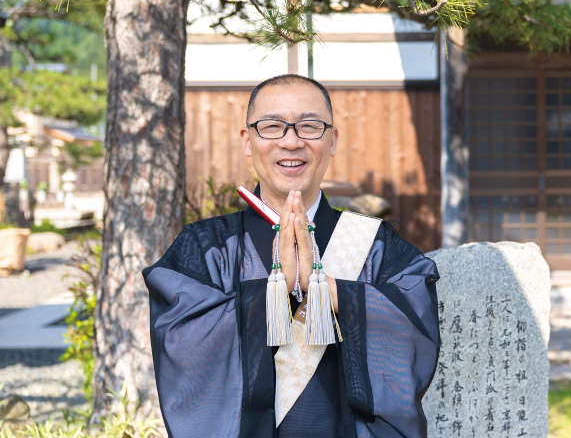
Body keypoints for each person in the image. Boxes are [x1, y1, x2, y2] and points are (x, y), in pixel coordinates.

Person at [143, 74, 441, 438]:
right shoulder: (206, 247)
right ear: (247, 141)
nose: (291, 141)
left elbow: (414, 326)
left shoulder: (376, 245)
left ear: (332, 140)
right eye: (271, 126)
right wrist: (275, 289)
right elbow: (183, 346)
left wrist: (327, 290)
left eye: (309, 126)